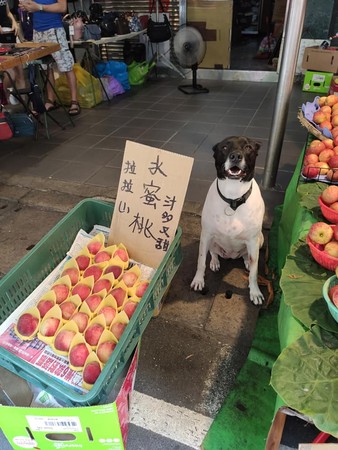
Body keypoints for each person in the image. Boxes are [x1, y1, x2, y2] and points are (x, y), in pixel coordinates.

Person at [18, 0, 80, 115]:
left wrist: (39, 7)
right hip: (37, 30)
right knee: (45, 67)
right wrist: (26, 6)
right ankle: (50, 100)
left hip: (54, 29)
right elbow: (29, 5)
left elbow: (62, 7)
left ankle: (74, 100)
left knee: (66, 65)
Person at [0, 0, 27, 101]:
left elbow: (7, 12)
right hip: (2, 35)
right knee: (10, 71)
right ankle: (5, 100)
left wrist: (14, 22)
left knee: (19, 70)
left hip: (10, 31)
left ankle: (23, 104)